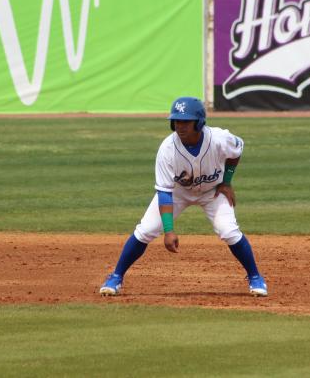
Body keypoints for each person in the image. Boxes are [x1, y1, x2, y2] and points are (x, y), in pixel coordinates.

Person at [99, 97, 268, 297]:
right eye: (177, 121)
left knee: (229, 230)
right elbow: (164, 192)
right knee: (146, 230)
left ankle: (255, 277)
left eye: (186, 121)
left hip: (212, 191)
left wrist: (227, 182)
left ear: (199, 122)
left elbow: (237, 151)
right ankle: (116, 276)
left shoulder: (220, 139)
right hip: (178, 192)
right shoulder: (167, 149)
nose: (180, 126)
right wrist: (169, 231)